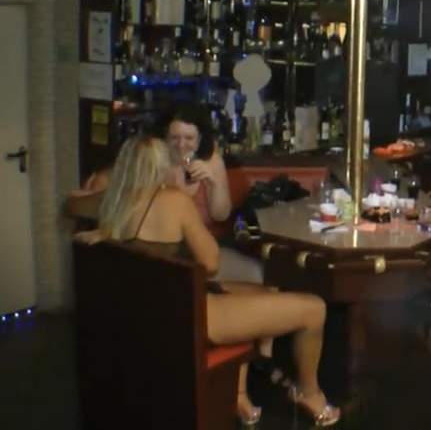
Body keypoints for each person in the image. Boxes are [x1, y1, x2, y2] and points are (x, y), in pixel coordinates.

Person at [74, 136, 340, 427]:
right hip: (189, 314)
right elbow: (212, 264)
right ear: (162, 167)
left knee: (260, 291)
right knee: (314, 308)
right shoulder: (174, 201)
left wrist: (101, 226)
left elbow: (72, 205)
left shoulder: (111, 200)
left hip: (149, 313)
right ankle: (308, 393)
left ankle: (236, 395)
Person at [67, 102, 262, 284]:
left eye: (189, 138)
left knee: (253, 271)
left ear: (200, 139)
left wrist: (213, 183)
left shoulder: (212, 162)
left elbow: (221, 216)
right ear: (164, 138)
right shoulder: (150, 166)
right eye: (174, 138)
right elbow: (113, 186)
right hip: (168, 261)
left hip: (197, 249)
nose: (181, 145)